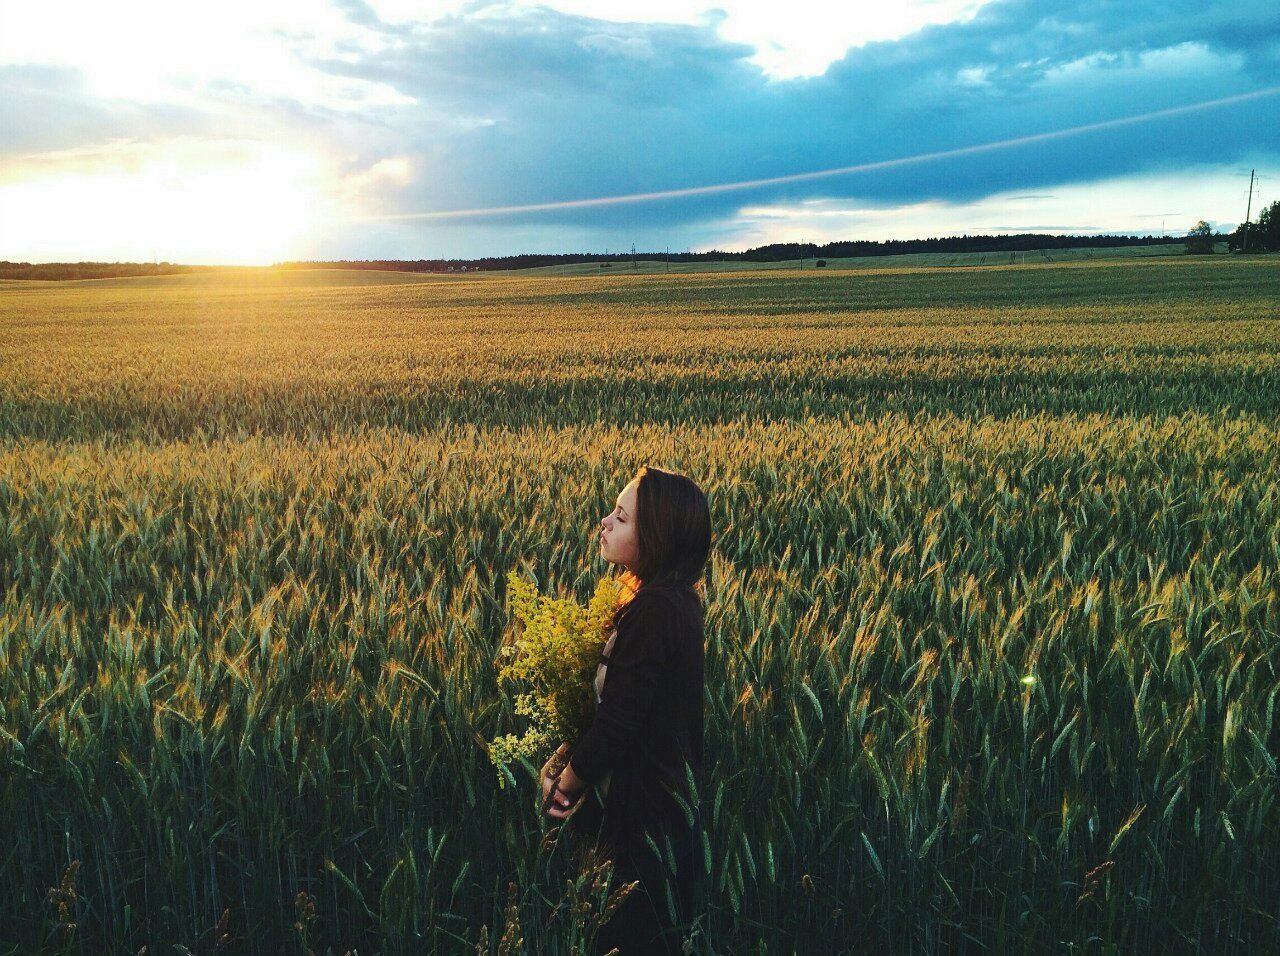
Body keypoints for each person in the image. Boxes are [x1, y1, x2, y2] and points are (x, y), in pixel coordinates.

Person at [543, 465, 711, 955]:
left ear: (655, 533)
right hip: (658, 819)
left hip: (642, 828)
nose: (605, 522)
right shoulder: (675, 603)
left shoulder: (655, 610)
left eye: (621, 516)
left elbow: (619, 723)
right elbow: (623, 707)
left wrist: (563, 787)